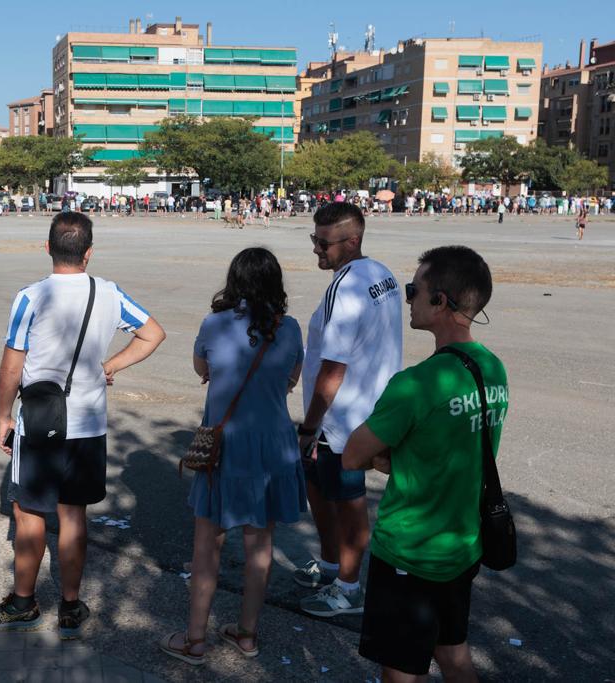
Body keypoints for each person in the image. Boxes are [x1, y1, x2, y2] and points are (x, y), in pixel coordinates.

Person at [0, 212, 165, 638]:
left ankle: (24, 602)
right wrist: (109, 366)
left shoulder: (31, 297)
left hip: (42, 424)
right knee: (74, 514)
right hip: (88, 425)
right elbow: (153, 333)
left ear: (48, 248)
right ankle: (70, 605)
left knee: (29, 514)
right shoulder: (109, 293)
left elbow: (11, 367)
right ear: (89, 252)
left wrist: (4, 414)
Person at [342, 245, 506, 682]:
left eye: (415, 289)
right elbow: (457, 448)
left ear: (441, 302)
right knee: (453, 654)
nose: (408, 298)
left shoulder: (414, 385)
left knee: (401, 670)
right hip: (461, 544)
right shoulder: (493, 369)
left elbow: (353, 455)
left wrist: (393, 458)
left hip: (410, 551)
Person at [159, 248, 306, 665]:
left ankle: (195, 639)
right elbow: (292, 378)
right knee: (260, 544)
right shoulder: (290, 328)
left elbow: (200, 369)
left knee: (208, 545)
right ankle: (246, 634)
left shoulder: (215, 324)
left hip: (225, 446)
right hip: (274, 445)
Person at [294, 202, 402, 617]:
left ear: (351, 241)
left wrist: (311, 427)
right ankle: (330, 564)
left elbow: (333, 369)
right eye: (314, 240)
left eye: (323, 243)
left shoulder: (347, 286)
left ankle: (348, 588)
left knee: (349, 502)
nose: (317, 250)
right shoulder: (383, 274)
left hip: (342, 421)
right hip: (368, 410)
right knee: (319, 488)